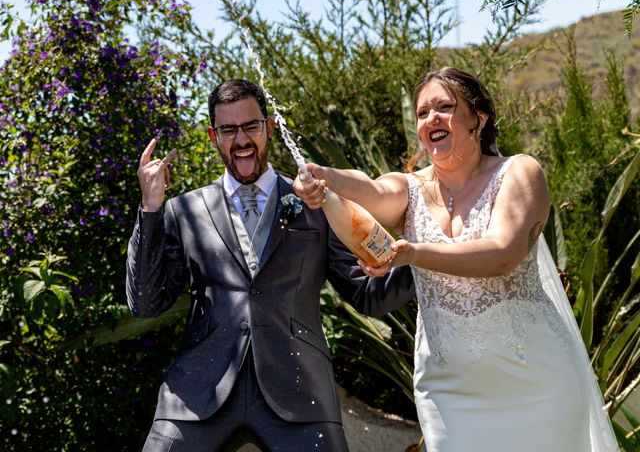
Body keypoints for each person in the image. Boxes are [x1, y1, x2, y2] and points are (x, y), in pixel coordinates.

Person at [293, 67, 619, 452]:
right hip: (449, 393)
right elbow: (374, 190)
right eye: (422, 112)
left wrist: (413, 253)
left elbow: (502, 253)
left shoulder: (519, 172)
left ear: (478, 119)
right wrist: (323, 176)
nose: (432, 118)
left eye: (445, 107)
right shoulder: (409, 188)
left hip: (536, 383)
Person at [125, 78, 414, 452]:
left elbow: (367, 296)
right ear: (213, 136)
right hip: (196, 397)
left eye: (251, 126)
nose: (241, 139)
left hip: (299, 394)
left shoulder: (317, 205)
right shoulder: (185, 211)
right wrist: (150, 208)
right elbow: (146, 302)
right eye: (228, 129)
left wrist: (421, 258)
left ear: (270, 128)